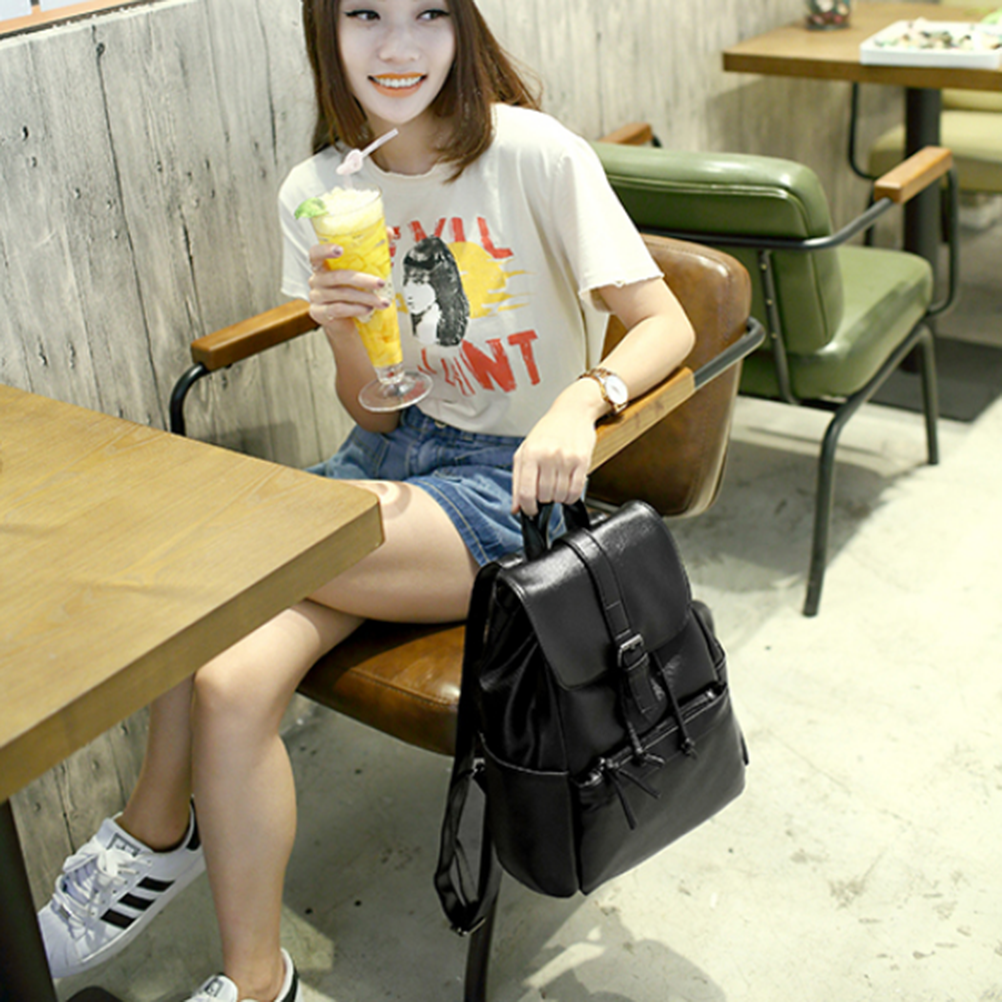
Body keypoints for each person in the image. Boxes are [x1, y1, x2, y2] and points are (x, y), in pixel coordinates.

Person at [36, 2, 695, 1001]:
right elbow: (373, 413)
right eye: (366, 14)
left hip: (509, 485)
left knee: (207, 563)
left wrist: (581, 399)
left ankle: (153, 832)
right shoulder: (319, 191)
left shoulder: (535, 155)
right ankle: (259, 983)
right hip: (388, 462)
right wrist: (346, 330)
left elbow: (665, 324)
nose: (397, 46)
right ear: (327, 31)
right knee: (228, 682)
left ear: (461, 28)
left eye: (428, 12)